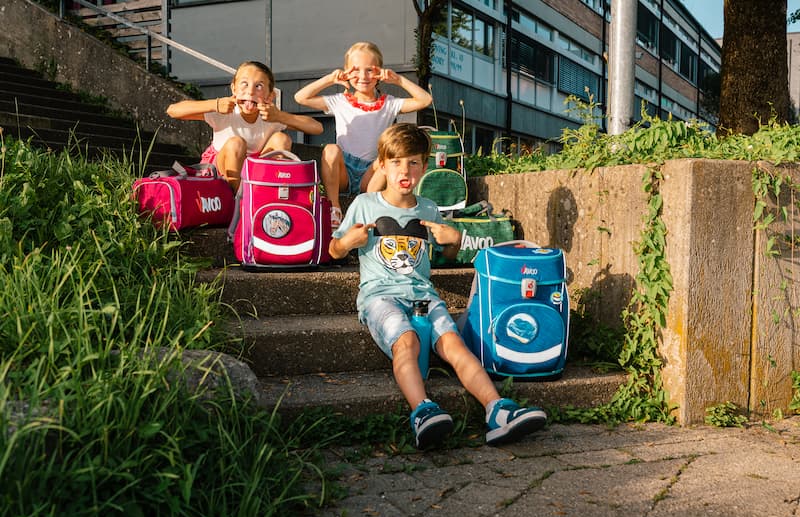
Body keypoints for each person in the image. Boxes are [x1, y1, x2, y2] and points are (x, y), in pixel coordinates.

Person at [329, 123, 547, 449]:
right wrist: (349, 241)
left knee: (455, 345)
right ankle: (422, 411)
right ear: (382, 166)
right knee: (406, 340)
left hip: (423, 295)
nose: (405, 170)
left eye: (413, 162)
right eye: (396, 162)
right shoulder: (365, 204)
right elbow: (334, 250)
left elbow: (446, 254)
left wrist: (453, 241)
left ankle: (498, 410)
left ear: (424, 167)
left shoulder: (429, 208)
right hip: (380, 296)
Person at [294, 41, 432, 229]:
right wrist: (330, 79)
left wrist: (399, 80)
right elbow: (300, 97)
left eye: (369, 70)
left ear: (380, 72)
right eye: (356, 70)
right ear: (346, 72)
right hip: (344, 170)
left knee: (385, 159)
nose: (362, 76)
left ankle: (366, 209)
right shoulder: (340, 101)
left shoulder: (389, 104)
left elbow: (425, 100)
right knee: (331, 149)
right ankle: (334, 208)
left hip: (372, 171)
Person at [167, 60, 323, 190]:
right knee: (237, 143)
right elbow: (173, 110)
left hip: (256, 171)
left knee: (281, 139)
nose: (250, 92)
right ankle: (233, 201)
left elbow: (317, 128)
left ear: (270, 96)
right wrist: (214, 104)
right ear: (233, 88)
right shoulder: (224, 110)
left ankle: (267, 191)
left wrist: (280, 116)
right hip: (221, 171)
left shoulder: (270, 116)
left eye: (259, 86)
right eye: (244, 84)